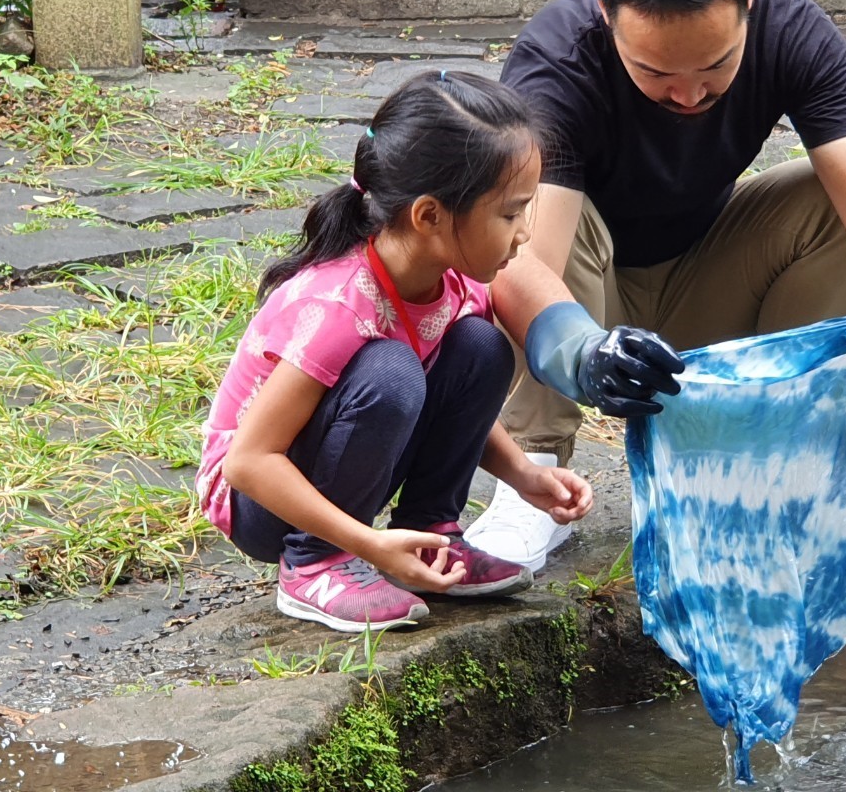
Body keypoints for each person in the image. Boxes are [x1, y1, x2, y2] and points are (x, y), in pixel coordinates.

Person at [465, 0, 846, 570]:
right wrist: (587, 357)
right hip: (588, 302)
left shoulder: (795, 32)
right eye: (655, 72)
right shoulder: (559, 61)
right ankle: (536, 484)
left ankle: (773, 451)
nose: (689, 96)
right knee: (525, 226)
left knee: (831, 202)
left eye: (716, 65)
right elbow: (520, 265)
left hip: (709, 279)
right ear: (606, 14)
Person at [194, 70, 593, 633]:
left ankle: (432, 534)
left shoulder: (454, 283)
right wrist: (371, 544)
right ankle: (314, 565)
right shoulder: (336, 305)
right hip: (261, 505)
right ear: (429, 215)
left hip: (343, 468)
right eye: (509, 213)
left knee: (482, 346)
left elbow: (462, 399)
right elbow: (249, 462)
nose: (525, 233)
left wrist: (524, 475)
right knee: (392, 370)